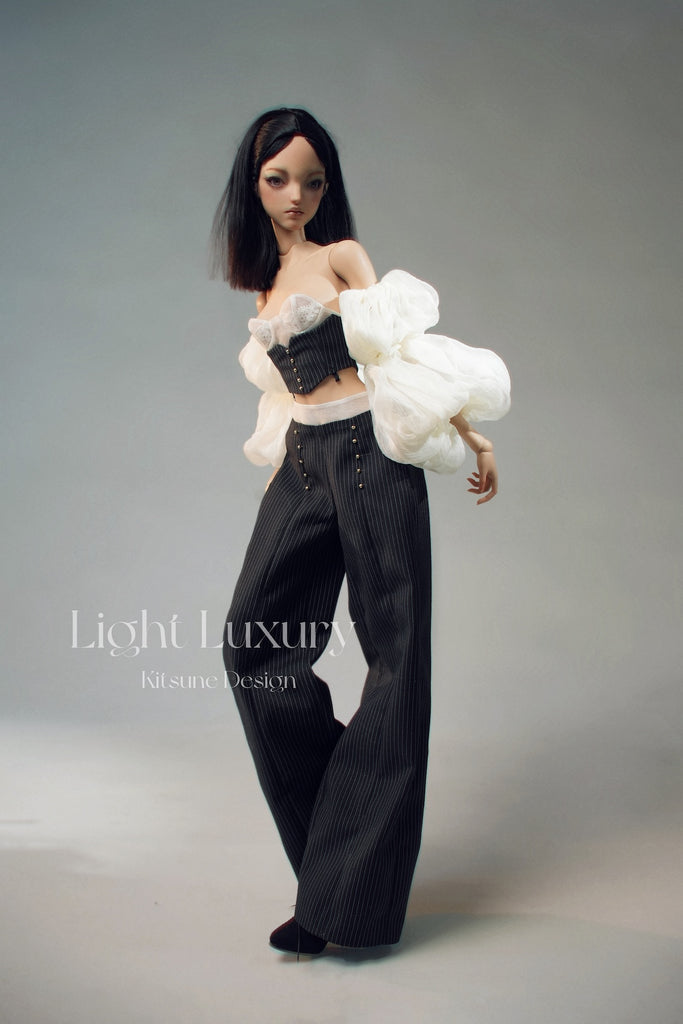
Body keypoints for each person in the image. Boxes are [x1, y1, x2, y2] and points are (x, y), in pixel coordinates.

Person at [211, 108, 510, 957]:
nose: (295, 196)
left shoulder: (341, 256)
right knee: (252, 646)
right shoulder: (264, 281)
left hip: (370, 456)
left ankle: (343, 898)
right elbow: (284, 392)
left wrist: (472, 435)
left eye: (311, 181)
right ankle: (339, 863)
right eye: (277, 180)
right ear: (252, 186)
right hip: (305, 461)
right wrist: (279, 473)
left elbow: (399, 352)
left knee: (395, 659)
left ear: (327, 187)